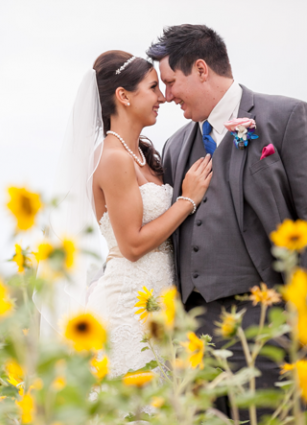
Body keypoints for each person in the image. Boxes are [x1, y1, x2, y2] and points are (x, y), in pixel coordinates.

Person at [146, 24, 307, 425]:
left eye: (170, 82)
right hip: (196, 341)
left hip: (269, 329)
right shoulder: (176, 145)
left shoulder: (286, 118)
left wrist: (302, 323)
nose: (166, 96)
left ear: (201, 69)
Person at [39, 50, 213, 379]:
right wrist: (187, 201)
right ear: (123, 96)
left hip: (157, 305)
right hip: (127, 309)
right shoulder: (113, 157)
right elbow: (131, 245)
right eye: (152, 88)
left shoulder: (141, 155)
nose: (163, 97)